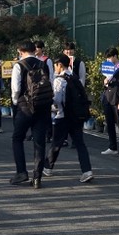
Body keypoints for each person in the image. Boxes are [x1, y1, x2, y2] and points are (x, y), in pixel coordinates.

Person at [43, 54, 93, 182]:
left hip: (63, 115)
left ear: (59, 65)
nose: (55, 68)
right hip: (76, 116)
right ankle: (87, 171)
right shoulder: (74, 77)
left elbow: (57, 99)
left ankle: (47, 168)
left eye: (56, 65)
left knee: (56, 143)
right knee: (80, 144)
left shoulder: (59, 80)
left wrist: (51, 104)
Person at [10, 40, 52, 188]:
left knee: (17, 138)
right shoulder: (44, 64)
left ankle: (21, 172)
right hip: (43, 107)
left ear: (20, 51)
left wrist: (16, 101)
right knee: (39, 142)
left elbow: (16, 89)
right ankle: (37, 177)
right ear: (34, 50)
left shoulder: (19, 65)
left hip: (25, 107)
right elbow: (51, 83)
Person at [101, 47, 119, 158]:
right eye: (107, 58)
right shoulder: (107, 67)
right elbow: (106, 83)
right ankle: (112, 147)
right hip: (108, 98)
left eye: (110, 58)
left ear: (115, 56)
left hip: (117, 99)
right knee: (109, 123)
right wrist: (105, 82)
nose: (108, 60)